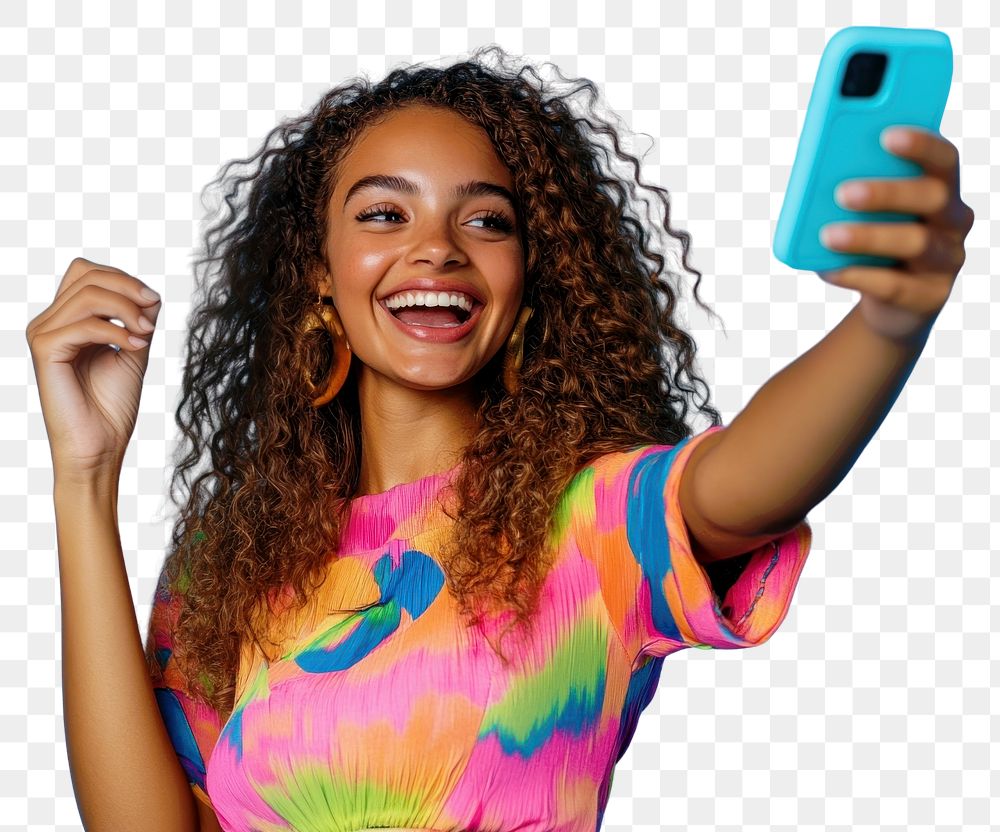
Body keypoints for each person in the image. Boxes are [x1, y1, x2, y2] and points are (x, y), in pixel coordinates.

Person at [28, 45, 972, 832]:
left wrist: (889, 323)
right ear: (320, 274)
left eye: (486, 220)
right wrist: (86, 475)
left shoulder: (590, 523)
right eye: (384, 214)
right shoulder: (235, 561)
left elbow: (748, 483)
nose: (437, 247)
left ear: (527, 285)